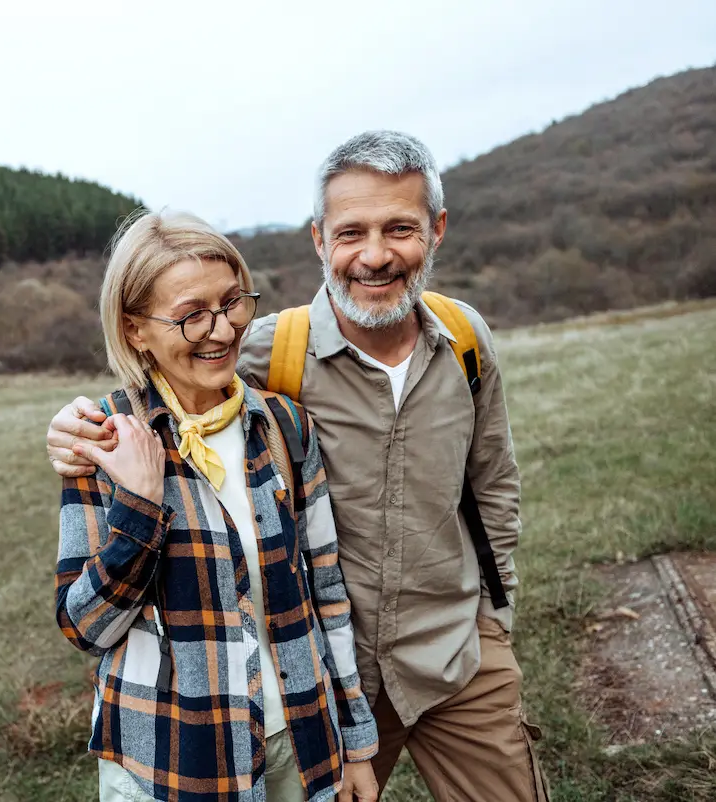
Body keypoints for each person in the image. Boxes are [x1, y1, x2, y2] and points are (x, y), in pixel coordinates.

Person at [47, 131, 550, 802]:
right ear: (319, 239)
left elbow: (492, 487)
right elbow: (169, 369)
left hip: (445, 657)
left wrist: (496, 619)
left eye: (399, 228)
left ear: (436, 230)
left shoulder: (457, 345)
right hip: (255, 713)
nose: (375, 255)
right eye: (352, 233)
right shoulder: (258, 357)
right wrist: (80, 439)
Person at [53, 208, 379, 802]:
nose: (223, 331)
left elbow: (327, 596)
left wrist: (354, 741)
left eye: (232, 303)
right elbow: (85, 628)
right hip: (174, 762)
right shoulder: (104, 440)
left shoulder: (284, 426)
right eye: (190, 316)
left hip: (302, 750)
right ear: (134, 330)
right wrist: (140, 507)